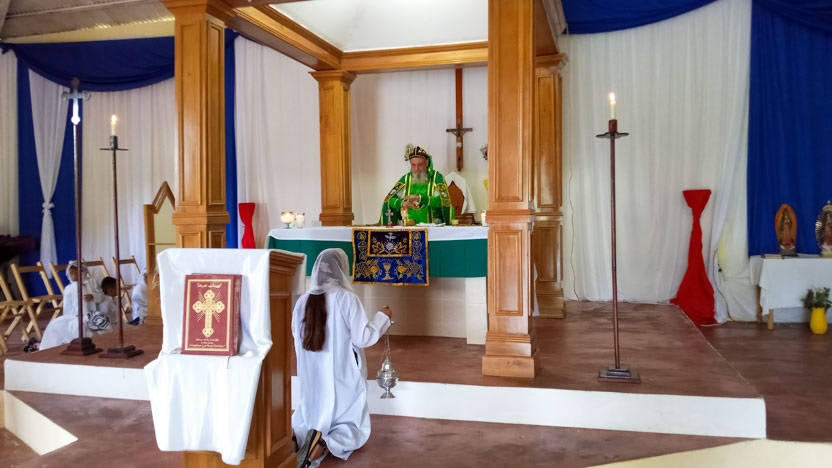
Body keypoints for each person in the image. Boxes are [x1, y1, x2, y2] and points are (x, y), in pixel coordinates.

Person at [291, 248, 393, 468]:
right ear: (341, 270)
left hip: (311, 374)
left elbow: (296, 337)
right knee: (350, 425)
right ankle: (324, 443)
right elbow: (363, 337)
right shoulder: (347, 299)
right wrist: (382, 317)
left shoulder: (302, 301)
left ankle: (298, 439)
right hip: (340, 372)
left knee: (309, 415)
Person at [40, 263, 113, 350]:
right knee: (71, 328)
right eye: (72, 274)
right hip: (75, 317)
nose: (74, 276)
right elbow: (67, 307)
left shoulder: (91, 283)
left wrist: (93, 296)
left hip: (92, 314)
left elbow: (101, 295)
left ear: (83, 272)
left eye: (77, 273)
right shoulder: (68, 289)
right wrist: (69, 318)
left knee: (101, 325)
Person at [379, 144, 455, 225]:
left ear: (427, 162)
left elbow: (443, 201)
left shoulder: (437, 178)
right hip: (407, 228)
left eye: (420, 165)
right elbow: (389, 200)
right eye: (413, 165)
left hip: (433, 227)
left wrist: (421, 198)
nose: (416, 169)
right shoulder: (405, 179)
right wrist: (402, 203)